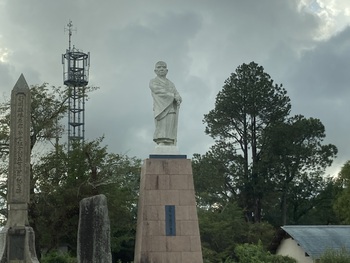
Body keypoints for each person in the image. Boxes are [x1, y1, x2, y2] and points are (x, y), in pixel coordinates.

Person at [150, 61, 182, 145]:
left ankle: (170, 141)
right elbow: (158, 91)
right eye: (159, 67)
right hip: (160, 108)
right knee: (162, 126)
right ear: (155, 70)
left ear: (167, 70)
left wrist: (178, 97)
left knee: (170, 125)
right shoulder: (153, 82)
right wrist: (172, 95)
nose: (161, 69)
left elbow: (176, 93)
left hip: (171, 108)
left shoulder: (171, 83)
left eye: (163, 67)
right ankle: (161, 140)